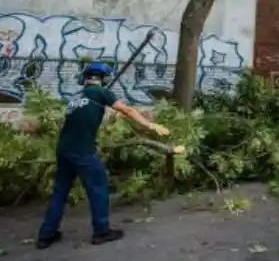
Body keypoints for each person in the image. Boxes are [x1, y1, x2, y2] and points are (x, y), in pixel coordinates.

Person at [36, 61, 181, 249]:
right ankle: (102, 231)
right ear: (102, 79)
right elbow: (127, 110)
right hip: (83, 152)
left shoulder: (76, 97)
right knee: (98, 186)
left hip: (63, 150)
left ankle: (46, 235)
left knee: (60, 192)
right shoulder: (101, 93)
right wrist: (150, 125)